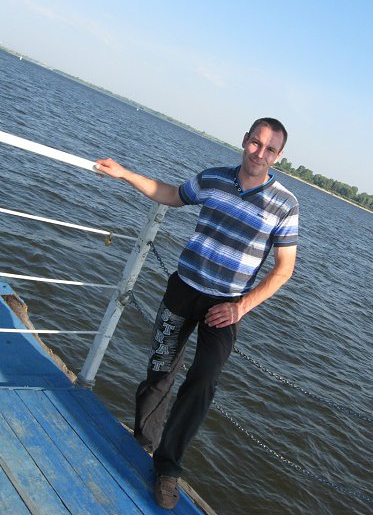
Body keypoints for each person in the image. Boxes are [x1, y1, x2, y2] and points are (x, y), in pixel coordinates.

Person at [95, 117, 299, 509]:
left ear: (279, 156)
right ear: (245, 139)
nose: (259, 153)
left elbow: (284, 269)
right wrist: (125, 174)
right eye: (255, 143)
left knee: (203, 381)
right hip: (183, 289)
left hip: (226, 307)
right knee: (160, 370)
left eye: (270, 149)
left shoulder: (285, 204)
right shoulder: (214, 178)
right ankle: (143, 443)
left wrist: (241, 306)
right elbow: (172, 194)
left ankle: (168, 467)